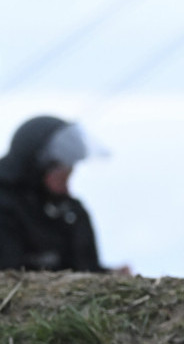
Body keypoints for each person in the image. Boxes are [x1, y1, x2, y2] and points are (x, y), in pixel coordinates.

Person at [0, 115, 129, 275]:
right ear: (37, 168)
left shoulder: (70, 212)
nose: (66, 185)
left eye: (69, 174)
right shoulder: (6, 207)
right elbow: (11, 275)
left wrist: (108, 277)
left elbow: (83, 271)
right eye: (61, 174)